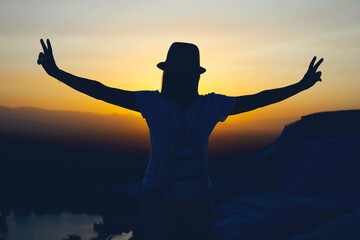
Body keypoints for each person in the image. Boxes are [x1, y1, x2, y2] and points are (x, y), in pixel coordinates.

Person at [37, 39, 323, 239]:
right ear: (195, 76)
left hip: (157, 197)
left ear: (167, 74)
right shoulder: (211, 107)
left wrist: (57, 73)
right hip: (198, 199)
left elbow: (102, 91)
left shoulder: (153, 104)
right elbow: (258, 100)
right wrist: (300, 85)